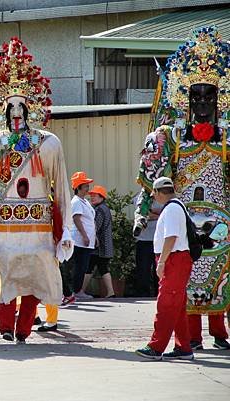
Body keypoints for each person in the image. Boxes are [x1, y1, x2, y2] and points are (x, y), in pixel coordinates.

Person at [0, 37, 73, 343]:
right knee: (6, 273)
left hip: (39, 224)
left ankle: (24, 329)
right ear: (0, 109)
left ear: (32, 108)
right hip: (5, 223)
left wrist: (66, 228)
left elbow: (63, 188)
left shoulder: (49, 143)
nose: (16, 111)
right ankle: (5, 326)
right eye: (10, 106)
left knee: (36, 278)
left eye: (21, 106)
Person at [133, 27, 230, 353]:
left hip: (221, 223)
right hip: (184, 220)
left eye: (209, 96)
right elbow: (156, 181)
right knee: (185, 284)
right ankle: (191, 337)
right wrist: (143, 211)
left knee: (219, 277)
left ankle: (219, 332)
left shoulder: (227, 138)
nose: (203, 103)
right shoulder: (170, 136)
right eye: (196, 96)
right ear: (184, 100)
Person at [136, 177, 194, 360]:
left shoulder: (171, 209)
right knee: (177, 307)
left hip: (174, 260)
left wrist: (161, 262)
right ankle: (183, 348)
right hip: (176, 259)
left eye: (154, 192)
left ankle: (156, 347)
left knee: (166, 304)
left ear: (161, 192)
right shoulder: (175, 207)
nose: (153, 196)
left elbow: (171, 237)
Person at [63, 171, 96, 304]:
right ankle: (76, 290)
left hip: (87, 240)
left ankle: (77, 290)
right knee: (79, 266)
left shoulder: (84, 202)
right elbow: (76, 219)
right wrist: (84, 235)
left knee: (82, 265)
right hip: (79, 240)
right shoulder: (76, 202)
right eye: (85, 185)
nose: (88, 188)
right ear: (78, 187)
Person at [80, 185, 114, 298]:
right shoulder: (104, 208)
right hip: (104, 246)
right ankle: (110, 292)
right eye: (91, 196)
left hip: (99, 246)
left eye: (95, 196)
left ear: (102, 197)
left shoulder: (99, 209)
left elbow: (95, 227)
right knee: (103, 267)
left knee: (89, 267)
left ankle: (80, 292)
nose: (92, 198)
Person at [133, 195, 161, 297]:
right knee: (143, 269)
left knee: (159, 269)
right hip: (144, 239)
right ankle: (143, 294)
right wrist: (159, 215)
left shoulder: (163, 196)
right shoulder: (141, 197)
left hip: (159, 239)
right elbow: (142, 214)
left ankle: (159, 293)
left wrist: (152, 214)